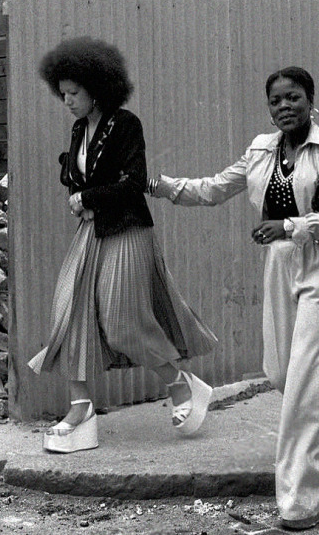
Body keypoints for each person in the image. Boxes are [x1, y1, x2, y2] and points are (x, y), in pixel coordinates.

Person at [148, 66, 319, 530]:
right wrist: (160, 186)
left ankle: (301, 498)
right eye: (276, 100)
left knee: (304, 390)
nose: (284, 106)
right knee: (280, 371)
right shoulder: (260, 150)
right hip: (279, 267)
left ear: (311, 100)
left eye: (293, 97)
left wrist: (292, 226)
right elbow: (213, 189)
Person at [28, 37, 217, 453]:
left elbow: (132, 184)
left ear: (97, 88)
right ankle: (81, 411)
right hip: (92, 233)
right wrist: (77, 188)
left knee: (121, 323)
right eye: (62, 95)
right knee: (69, 312)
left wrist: (88, 197)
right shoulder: (79, 128)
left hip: (127, 230)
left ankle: (182, 384)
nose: (67, 101)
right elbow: (82, 177)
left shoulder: (126, 124)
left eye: (73, 93)